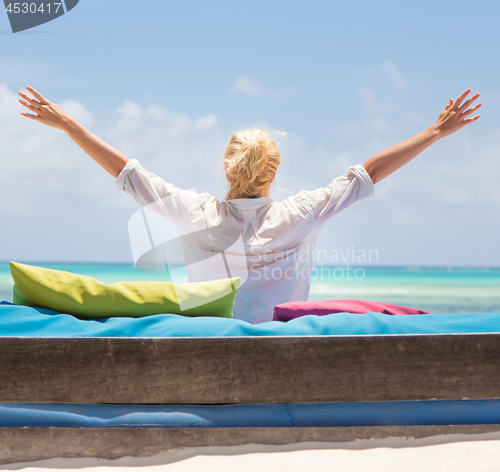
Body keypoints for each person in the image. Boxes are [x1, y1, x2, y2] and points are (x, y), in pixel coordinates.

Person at [18, 86, 481, 323]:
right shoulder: (300, 214)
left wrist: (68, 124)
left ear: (227, 169)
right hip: (279, 353)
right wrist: (435, 131)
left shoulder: (195, 213)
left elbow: (127, 173)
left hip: (208, 348)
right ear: (273, 173)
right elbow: (368, 172)